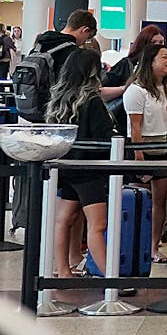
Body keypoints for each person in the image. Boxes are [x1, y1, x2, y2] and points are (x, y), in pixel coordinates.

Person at [49, 49, 114, 279]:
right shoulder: (92, 102)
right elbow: (105, 137)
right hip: (89, 170)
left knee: (63, 220)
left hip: (65, 167)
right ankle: (111, 277)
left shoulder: (60, 99)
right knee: (98, 225)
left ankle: (63, 271)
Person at [123, 44, 167, 265]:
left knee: (161, 201)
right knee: (140, 201)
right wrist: (140, 159)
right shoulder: (136, 91)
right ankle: (133, 245)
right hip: (141, 149)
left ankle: (153, 246)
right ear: (151, 62)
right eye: (164, 57)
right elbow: (135, 127)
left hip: (164, 149)